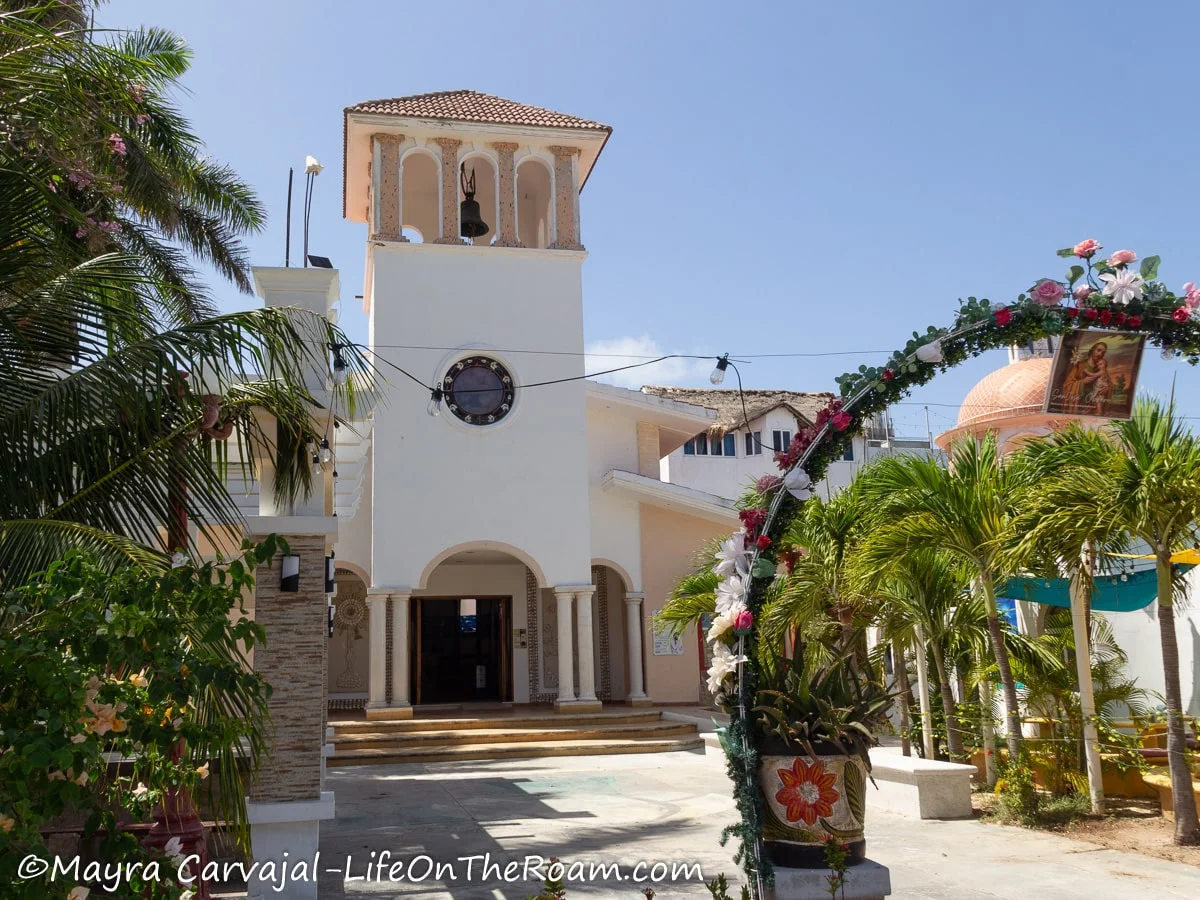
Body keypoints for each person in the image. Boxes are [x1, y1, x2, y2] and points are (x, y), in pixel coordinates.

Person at [1060, 341, 1112, 415]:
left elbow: (1108, 383)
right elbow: (1067, 385)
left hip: (1093, 407)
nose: (1100, 354)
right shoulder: (1080, 366)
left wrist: (1107, 388)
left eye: (1103, 353)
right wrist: (1082, 382)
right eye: (1098, 350)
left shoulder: (1101, 369)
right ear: (1092, 350)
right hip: (1079, 405)